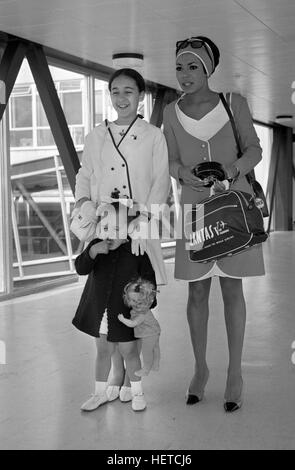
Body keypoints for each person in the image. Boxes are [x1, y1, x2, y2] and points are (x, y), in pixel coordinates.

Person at [163, 36, 265, 412]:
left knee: (232, 290)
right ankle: (200, 369)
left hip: (234, 207)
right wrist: (181, 173)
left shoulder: (234, 103)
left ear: (208, 68)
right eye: (179, 67)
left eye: (192, 66)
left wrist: (233, 168)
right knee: (196, 292)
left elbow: (254, 148)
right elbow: (169, 159)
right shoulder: (170, 113)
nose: (185, 74)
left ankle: (235, 373)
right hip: (195, 213)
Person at [73, 68, 170, 407]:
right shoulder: (95, 136)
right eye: (115, 91)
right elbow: (85, 174)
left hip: (137, 229)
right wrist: (84, 202)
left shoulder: (153, 136)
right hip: (104, 226)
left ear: (140, 95)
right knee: (106, 304)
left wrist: (145, 218)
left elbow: (161, 181)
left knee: (132, 302)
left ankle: (129, 378)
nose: (121, 97)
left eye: (129, 91)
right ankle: (115, 376)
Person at [72, 198, 157, 412]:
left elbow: (149, 279)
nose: (110, 233)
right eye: (106, 227)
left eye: (117, 228)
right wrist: (91, 253)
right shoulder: (95, 246)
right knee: (102, 351)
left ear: (128, 228)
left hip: (124, 313)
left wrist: (145, 302)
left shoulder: (135, 251)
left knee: (129, 352)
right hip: (101, 312)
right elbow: (80, 268)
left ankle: (137, 392)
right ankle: (99, 393)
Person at [118, 277, 161, 377]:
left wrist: (122, 319)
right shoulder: (144, 309)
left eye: (140, 301)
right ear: (127, 298)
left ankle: (146, 369)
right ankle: (155, 364)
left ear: (146, 301)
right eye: (133, 300)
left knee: (147, 351)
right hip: (155, 331)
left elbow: (133, 323)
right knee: (155, 348)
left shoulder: (141, 314)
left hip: (148, 334)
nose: (136, 303)